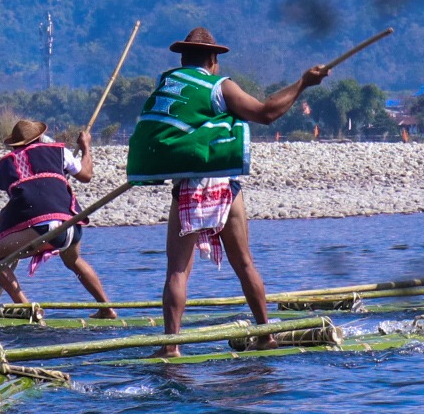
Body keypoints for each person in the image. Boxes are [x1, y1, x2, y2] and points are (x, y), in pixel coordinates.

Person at [126, 27, 331, 357]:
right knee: (245, 263)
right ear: (212, 60)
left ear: (182, 59)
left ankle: (170, 346)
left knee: (178, 270)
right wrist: (303, 83)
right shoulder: (218, 86)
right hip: (223, 185)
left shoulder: (167, 88)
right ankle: (266, 334)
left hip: (187, 189)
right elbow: (266, 113)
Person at [0, 120, 115, 319]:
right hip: (71, 224)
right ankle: (106, 307)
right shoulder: (60, 152)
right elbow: (86, 175)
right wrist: (87, 147)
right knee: (74, 259)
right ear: (39, 137)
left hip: (44, 227)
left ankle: (26, 309)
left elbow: (19, 192)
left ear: (16, 144)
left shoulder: (6, 164)